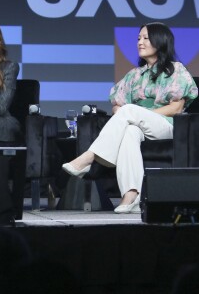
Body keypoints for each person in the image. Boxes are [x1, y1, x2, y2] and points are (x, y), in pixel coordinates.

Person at [62, 22, 198, 213]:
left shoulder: (176, 70)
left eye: (145, 38)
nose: (139, 43)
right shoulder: (135, 75)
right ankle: (132, 194)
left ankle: (89, 157)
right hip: (138, 125)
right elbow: (117, 103)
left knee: (130, 112)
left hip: (168, 126)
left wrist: (136, 114)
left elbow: (176, 107)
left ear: (160, 41)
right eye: (138, 38)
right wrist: (126, 116)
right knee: (129, 132)